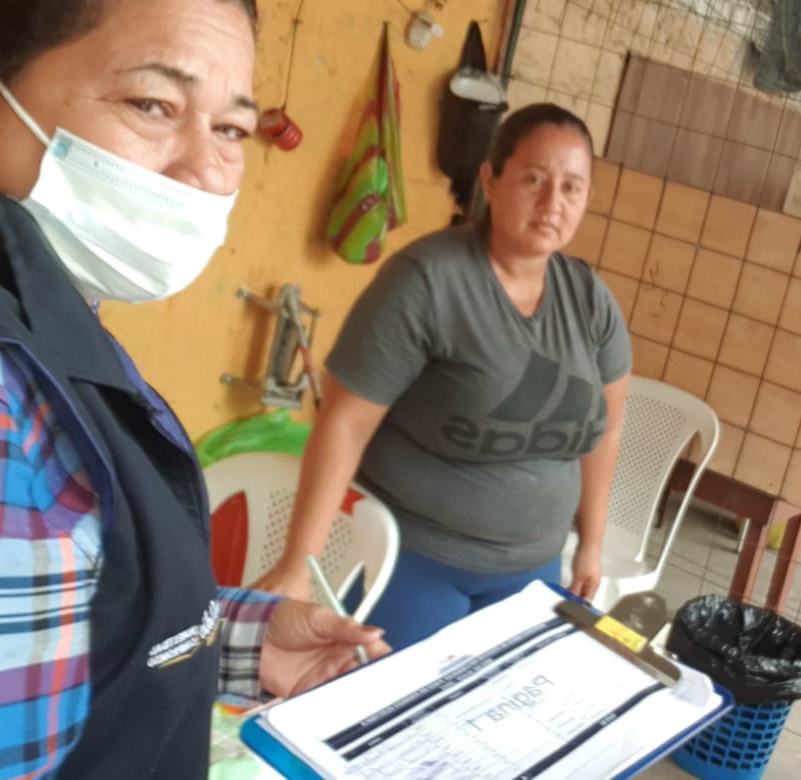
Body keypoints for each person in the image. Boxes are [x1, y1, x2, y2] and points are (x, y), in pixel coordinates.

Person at [0, 0, 391, 775]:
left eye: (231, 128)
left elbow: (20, 612)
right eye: (152, 104)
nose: (204, 171)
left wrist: (224, 640)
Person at [252, 104, 632, 648]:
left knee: (499, 701)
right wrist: (298, 565)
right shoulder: (428, 282)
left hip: (534, 569)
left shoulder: (590, 302)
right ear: (490, 179)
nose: (553, 202)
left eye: (572, 187)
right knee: (388, 698)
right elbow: (344, 423)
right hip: (415, 562)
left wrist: (590, 545)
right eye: (534, 179)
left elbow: (607, 431)